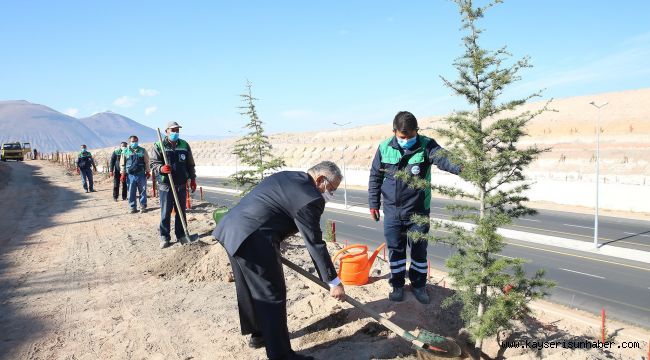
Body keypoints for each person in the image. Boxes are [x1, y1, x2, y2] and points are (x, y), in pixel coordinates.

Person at [212, 161, 345, 360]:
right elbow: (314, 243)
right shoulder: (310, 198)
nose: (330, 195)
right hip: (253, 238)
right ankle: (281, 355)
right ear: (320, 180)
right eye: (331, 189)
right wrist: (333, 281)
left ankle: (259, 335)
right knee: (271, 295)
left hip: (231, 229)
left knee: (250, 287)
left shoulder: (289, 176)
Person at [368, 111, 461, 304]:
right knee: (395, 249)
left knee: (419, 250)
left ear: (416, 131)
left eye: (411, 136)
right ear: (394, 132)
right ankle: (397, 285)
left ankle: (419, 286)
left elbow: (445, 159)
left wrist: (463, 168)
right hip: (393, 211)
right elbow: (375, 177)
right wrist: (373, 203)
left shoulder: (427, 145)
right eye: (403, 137)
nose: (407, 140)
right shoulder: (384, 148)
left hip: (418, 211)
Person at [150, 121, 196, 248]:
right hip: (166, 185)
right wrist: (161, 168)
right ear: (167, 132)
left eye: (177, 130)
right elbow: (153, 163)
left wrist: (192, 179)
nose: (175, 133)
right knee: (166, 212)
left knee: (181, 211)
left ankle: (181, 235)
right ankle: (164, 237)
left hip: (181, 184)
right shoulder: (159, 145)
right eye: (173, 130)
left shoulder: (184, 145)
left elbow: (190, 164)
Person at [120, 136, 150, 214]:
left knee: (143, 191)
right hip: (130, 175)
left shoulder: (142, 150)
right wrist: (122, 174)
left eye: (136, 141)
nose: (134, 143)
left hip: (141, 174)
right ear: (130, 142)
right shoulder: (125, 151)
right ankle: (132, 207)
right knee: (131, 192)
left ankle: (143, 206)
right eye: (133, 141)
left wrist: (148, 171)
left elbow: (147, 162)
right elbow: (122, 164)